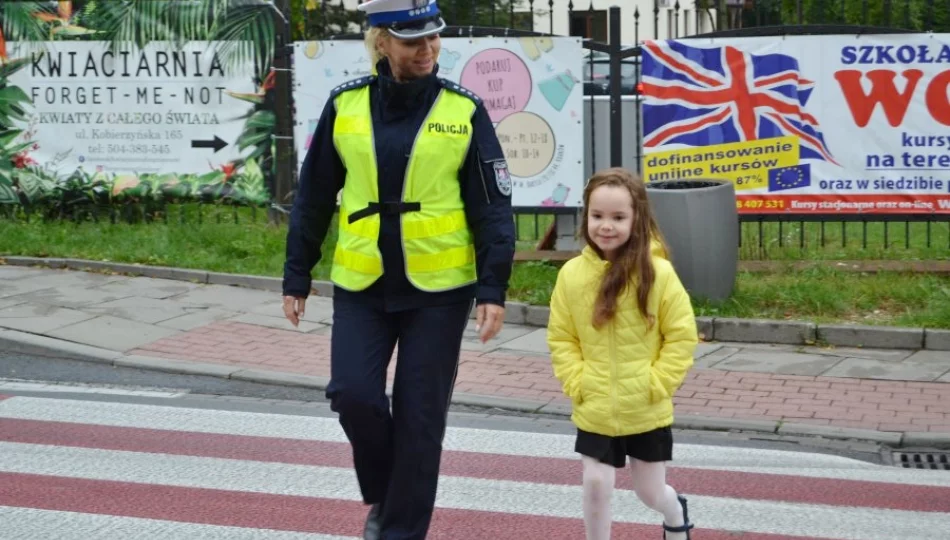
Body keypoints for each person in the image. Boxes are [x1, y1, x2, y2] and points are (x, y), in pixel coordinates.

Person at [281, 0, 516, 538]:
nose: (427, 50)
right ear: (382, 43)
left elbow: (493, 206)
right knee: (353, 394)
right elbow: (314, 196)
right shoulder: (346, 105)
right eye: (413, 41)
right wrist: (298, 273)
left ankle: (397, 528)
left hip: (440, 291)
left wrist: (492, 288)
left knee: (419, 417)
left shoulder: (464, 110)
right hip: (362, 284)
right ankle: (388, 492)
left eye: (434, 38)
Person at [546, 167, 698, 540]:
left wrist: (657, 383)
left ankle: (676, 513)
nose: (606, 226)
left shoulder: (658, 273)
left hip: (644, 405)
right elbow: (562, 337)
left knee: (650, 493)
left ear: (637, 219)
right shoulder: (571, 275)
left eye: (618, 217)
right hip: (595, 402)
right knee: (596, 483)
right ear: (586, 217)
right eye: (597, 216)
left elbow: (681, 335)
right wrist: (577, 381)